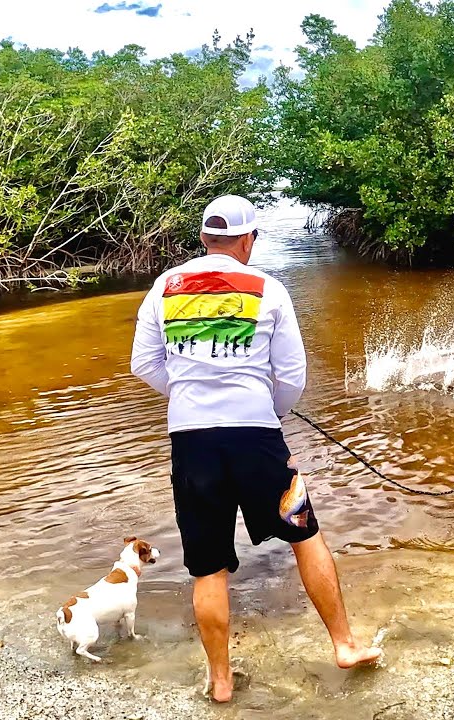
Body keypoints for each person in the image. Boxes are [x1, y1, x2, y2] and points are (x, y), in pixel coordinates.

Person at [130, 195, 382, 703]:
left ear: (204, 238)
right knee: (304, 534)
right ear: (248, 240)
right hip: (256, 435)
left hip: (191, 442)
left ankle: (221, 681)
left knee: (207, 565)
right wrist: (271, 410)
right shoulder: (269, 288)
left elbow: (144, 364)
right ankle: (345, 645)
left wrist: (187, 394)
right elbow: (291, 375)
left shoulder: (164, 286)